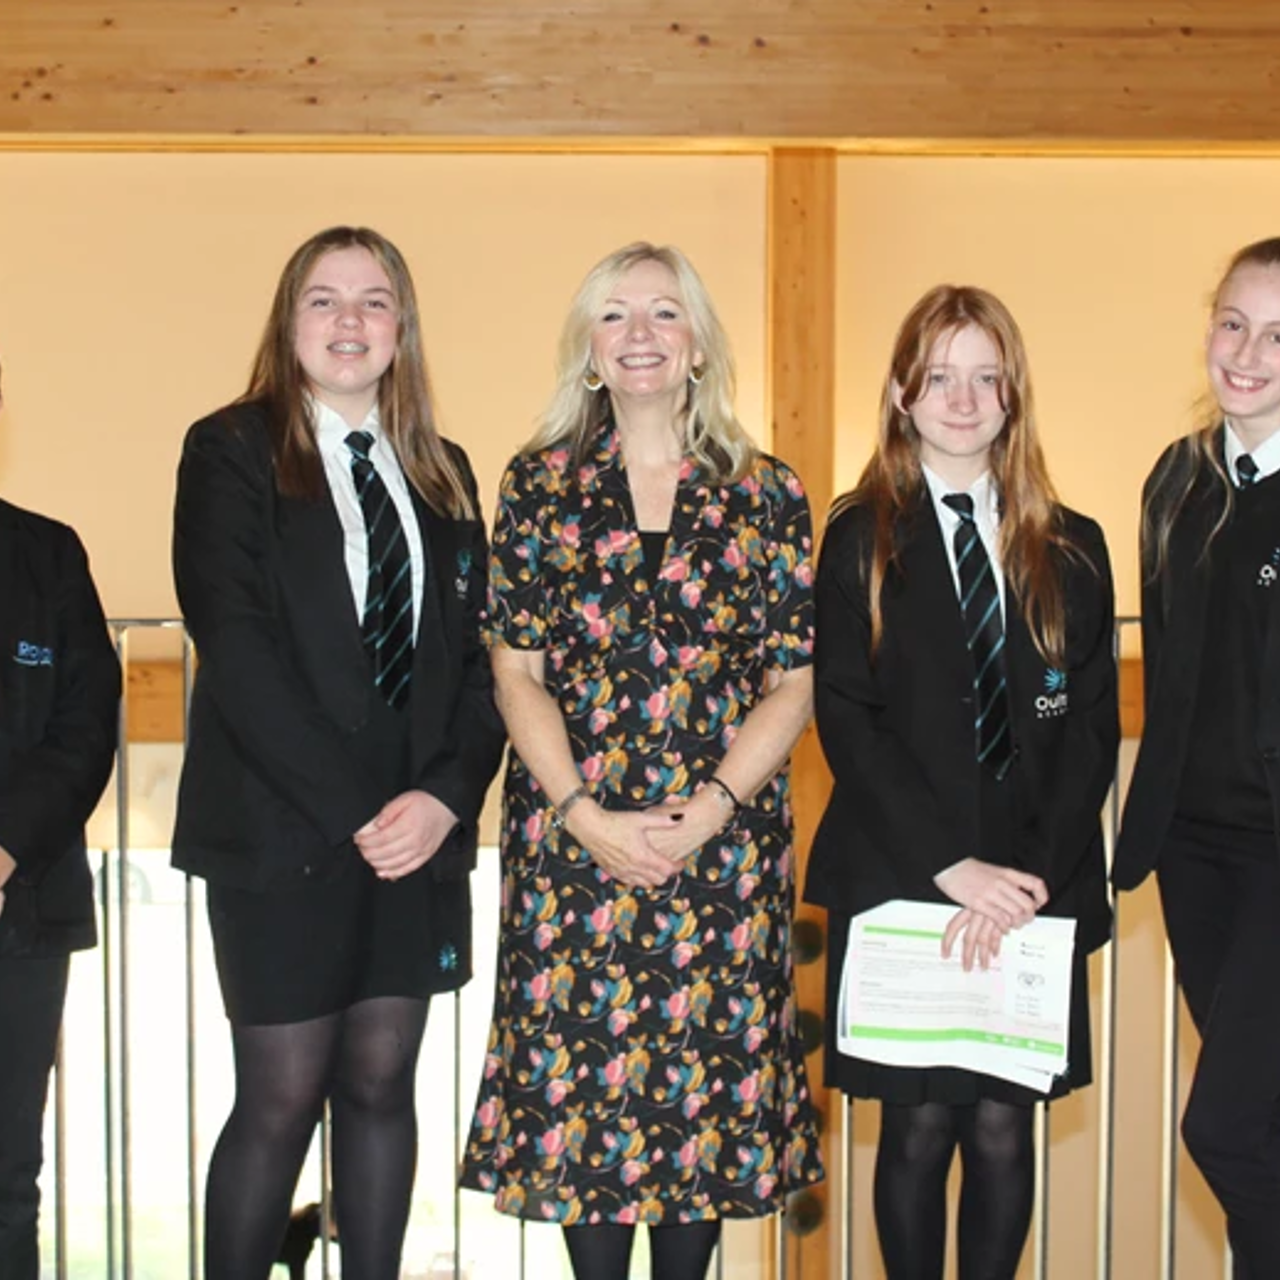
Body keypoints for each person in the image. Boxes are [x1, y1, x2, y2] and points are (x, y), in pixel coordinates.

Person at [460, 242, 824, 1280]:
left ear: (697, 341)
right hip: (573, 850)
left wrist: (708, 808)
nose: (638, 336)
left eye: (662, 314)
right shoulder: (536, 485)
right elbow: (513, 668)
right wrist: (580, 811)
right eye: (614, 316)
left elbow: (792, 680)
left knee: (699, 1126)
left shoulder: (764, 492)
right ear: (587, 347)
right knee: (586, 1127)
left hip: (720, 850)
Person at [171, 226, 504, 1280]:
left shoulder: (443, 472)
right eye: (324, 300)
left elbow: (482, 662)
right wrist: (366, 807)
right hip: (283, 837)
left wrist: (445, 799)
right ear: (289, 321)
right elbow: (236, 644)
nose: (349, 321)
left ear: (401, 329)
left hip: (416, 839)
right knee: (278, 1100)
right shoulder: (229, 449)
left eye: (373, 301)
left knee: (379, 1087)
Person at [805, 285, 1118, 1280]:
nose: (963, 396)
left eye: (985, 376)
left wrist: (1021, 874)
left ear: (1012, 393)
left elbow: (1094, 730)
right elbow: (846, 715)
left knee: (998, 1128)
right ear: (902, 390)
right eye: (939, 375)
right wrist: (952, 868)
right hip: (908, 875)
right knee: (916, 1128)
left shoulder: (1071, 544)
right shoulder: (860, 534)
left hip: (1034, 883)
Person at [1114, 237, 1280, 1279]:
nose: (1247, 353)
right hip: (1195, 852)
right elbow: (1168, 664)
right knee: (1261, 1127)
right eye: (1232, 322)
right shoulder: (1173, 482)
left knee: (1220, 1128)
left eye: (1276, 335)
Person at [0, 356, 121, 1280]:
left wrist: (4, 847)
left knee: (8, 1179)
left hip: (22, 914)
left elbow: (86, 724)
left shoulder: (48, 554)